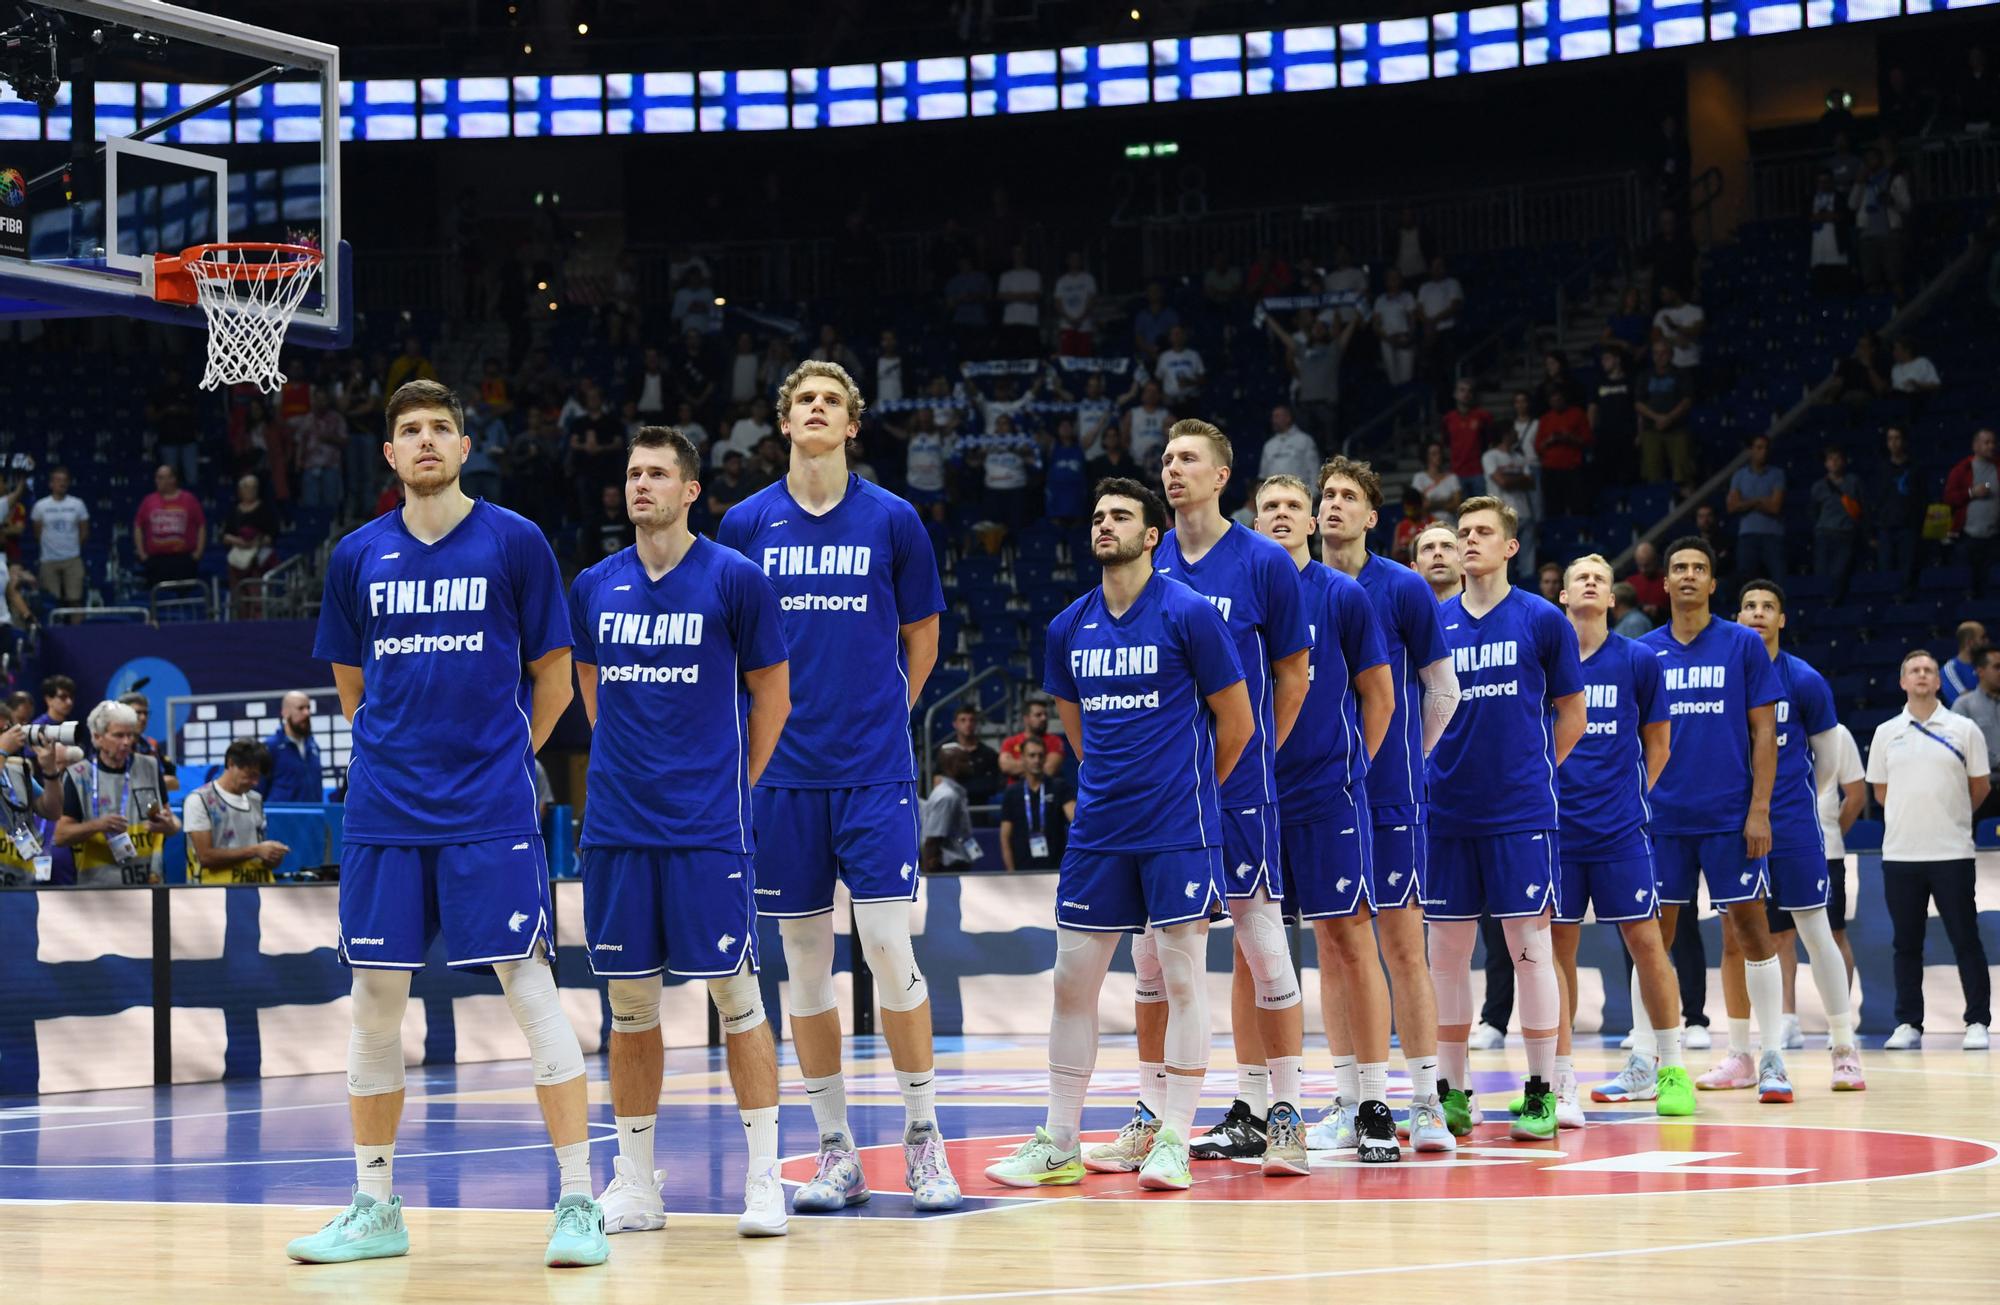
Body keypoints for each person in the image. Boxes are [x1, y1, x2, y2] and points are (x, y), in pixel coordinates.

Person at [290, 379, 606, 1268]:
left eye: (441, 428)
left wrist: (511, 755)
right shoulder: (356, 554)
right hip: (386, 811)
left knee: (530, 991)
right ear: (388, 456)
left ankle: (579, 1202)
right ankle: (374, 1203)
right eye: (408, 431)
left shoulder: (516, 541)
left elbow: (553, 671)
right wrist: (399, 752)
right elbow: (353, 686)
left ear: (466, 447)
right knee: (375, 1004)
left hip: (488, 809)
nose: (425, 440)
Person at [717, 360, 962, 1213]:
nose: (816, 411)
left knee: (892, 949)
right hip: (782, 777)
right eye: (803, 402)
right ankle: (835, 1151)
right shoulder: (746, 524)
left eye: (831, 403)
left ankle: (924, 1137)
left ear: (853, 425)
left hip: (872, 771)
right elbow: (731, 650)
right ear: (783, 421)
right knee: (805, 968)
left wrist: (885, 711)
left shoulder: (892, 519)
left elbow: (923, 635)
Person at [984, 478, 1250, 1192]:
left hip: (1176, 828)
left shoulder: (1189, 613)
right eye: (1098, 515)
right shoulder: (1069, 624)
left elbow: (1239, 722)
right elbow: (1073, 723)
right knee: (1073, 981)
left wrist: (1188, 790)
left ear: (1152, 534)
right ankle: (1061, 1140)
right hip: (1100, 829)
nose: (1104, 524)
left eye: (1121, 515)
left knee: (1185, 980)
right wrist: (1111, 777)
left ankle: (1173, 1139)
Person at [569, 425, 793, 1238]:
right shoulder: (594, 583)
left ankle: (766, 1179)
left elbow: (773, 697)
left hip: (708, 828)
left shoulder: (735, 580)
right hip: (620, 828)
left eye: (658, 473)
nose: (641, 485)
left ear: (691, 489)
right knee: (629, 1008)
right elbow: (592, 692)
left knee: (738, 997)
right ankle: (635, 1182)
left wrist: (734, 784)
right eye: (632, 472)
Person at [1093, 421, 1310, 1169]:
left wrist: (1254, 758)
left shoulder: (1264, 563)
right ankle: (1152, 1114)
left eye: (1187, 458)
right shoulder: (1143, 567)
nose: (1172, 467)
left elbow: (1293, 675)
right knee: (1151, 964)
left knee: (1264, 950)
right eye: (1166, 458)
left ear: (1223, 476)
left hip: (1238, 792)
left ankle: (1286, 1115)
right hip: (1158, 804)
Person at [1423, 496, 1586, 1141]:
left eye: (1483, 532)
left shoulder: (1543, 620)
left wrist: (1533, 766)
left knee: (1529, 951)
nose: (1469, 541)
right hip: (1446, 811)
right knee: (1448, 958)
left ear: (1510, 546)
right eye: (1463, 532)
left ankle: (1542, 1090)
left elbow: (1571, 713)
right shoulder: (1435, 623)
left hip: (1520, 812)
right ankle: (1454, 1091)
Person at [1251, 474, 1400, 1162]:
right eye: (1268, 508)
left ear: (1312, 521)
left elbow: (1381, 696)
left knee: (1348, 939)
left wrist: (1354, 769)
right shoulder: (1242, 590)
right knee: (1257, 951)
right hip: (1253, 794)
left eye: (1291, 506)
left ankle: (1371, 1103)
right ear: (1252, 522)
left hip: (1326, 794)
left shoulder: (1343, 594)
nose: (1280, 515)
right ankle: (1254, 1106)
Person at [1312, 457, 1457, 1149]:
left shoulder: (1402, 587)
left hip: (1389, 796)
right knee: (1335, 949)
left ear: (1374, 516)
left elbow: (1444, 691)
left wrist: (1405, 760)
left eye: (1348, 497)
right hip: (1315, 798)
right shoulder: (1291, 587)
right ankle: (1351, 1100)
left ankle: (1427, 1099)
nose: (1334, 505)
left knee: (1403, 948)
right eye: (1327, 495)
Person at [1638, 538, 1795, 1104]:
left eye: (1698, 569)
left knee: (1753, 932)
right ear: (1665, 581)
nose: (1686, 576)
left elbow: (1764, 734)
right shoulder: (1642, 652)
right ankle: (1645, 1057)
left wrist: (1759, 811)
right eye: (1678, 567)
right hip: (1662, 820)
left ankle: (1768, 1056)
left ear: (1711, 583)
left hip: (1730, 818)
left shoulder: (1742, 646)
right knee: (1652, 939)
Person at [1549, 555, 1694, 1118]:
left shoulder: (1638, 660)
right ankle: (1559, 1080)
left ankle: (1673, 1068)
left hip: (1620, 833)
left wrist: (1630, 797)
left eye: (1600, 579)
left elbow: (1659, 742)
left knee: (1648, 946)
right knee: (1555, 953)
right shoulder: (1546, 660)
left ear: (1612, 599)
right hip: (1556, 832)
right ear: (1563, 597)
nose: (1589, 581)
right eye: (1579, 576)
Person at [1716, 582, 1865, 1089]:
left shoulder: (1804, 680)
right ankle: (1743, 1054)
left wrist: (1788, 799)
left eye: (1768, 607)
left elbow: (1827, 763)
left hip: (1793, 823)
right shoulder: (1724, 677)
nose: (1758, 614)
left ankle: (1844, 1047)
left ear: (1782, 619)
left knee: (1814, 929)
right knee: (1738, 937)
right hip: (1735, 823)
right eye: (1749, 606)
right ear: (1737, 618)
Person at [1868, 650, 1991, 1051]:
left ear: (1938, 682)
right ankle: (1908, 1023)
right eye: (1914, 671)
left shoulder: (1964, 728)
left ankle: (1977, 1021)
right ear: (1903, 682)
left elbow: (1980, 787)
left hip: (1952, 853)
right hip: (1901, 854)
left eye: (1929, 671)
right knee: (1906, 943)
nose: (1922, 676)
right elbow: (1882, 793)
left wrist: (1949, 817)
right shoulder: (1886, 732)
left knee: (1965, 938)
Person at [54, 699, 177, 887]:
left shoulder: (149, 767)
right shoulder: (79, 775)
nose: (127, 742)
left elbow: (173, 824)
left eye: (130, 735)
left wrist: (169, 826)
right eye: (119, 735)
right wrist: (97, 825)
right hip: (99, 892)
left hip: (149, 884)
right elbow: (61, 836)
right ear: (98, 737)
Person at [183, 740, 288, 885]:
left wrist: (271, 857)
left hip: (256, 892)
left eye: (258, 777)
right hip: (212, 895)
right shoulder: (199, 800)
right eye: (251, 775)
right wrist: (255, 850)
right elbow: (205, 857)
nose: (256, 782)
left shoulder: (256, 800)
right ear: (231, 764)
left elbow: (259, 854)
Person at [999, 734, 1071, 871]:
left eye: (1040, 755)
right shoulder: (1012, 792)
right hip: (1023, 870)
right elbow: (1005, 837)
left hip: (1055, 868)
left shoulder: (1058, 787)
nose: (1036, 760)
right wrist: (1011, 872)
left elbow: (1074, 818)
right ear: (1022, 758)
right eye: (1031, 755)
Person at [132, 464, 207, 589]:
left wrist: (198, 553)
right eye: (157, 478)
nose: (158, 481)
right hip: (156, 560)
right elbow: (138, 526)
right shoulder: (148, 501)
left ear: (173, 479)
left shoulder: (189, 499)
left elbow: (201, 526)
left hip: (183, 560)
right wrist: (142, 554)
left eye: (162, 478)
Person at [1945, 429, 1999, 597]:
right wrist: (1971, 493)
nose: (1991, 446)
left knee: (1991, 586)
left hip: (1994, 537)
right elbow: (1948, 498)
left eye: (1993, 442)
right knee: (1968, 586)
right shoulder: (1962, 469)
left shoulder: (1998, 467)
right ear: (1975, 445)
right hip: (1967, 537)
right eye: (1986, 442)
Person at [1636, 341, 1696, 491]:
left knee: (1683, 472)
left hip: (1677, 430)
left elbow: (1687, 400)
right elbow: (1638, 403)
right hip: (1651, 430)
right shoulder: (1644, 376)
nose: (1659, 356)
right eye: (1656, 353)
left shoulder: (1681, 375)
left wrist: (1669, 418)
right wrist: (1657, 417)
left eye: (1663, 352)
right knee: (1652, 472)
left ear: (1671, 354)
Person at [1950, 644, 2000, 822]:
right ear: (1980, 671)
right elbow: (1957, 747)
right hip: (1982, 788)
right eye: (1996, 667)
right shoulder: (1964, 705)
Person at [1727, 435, 1787, 582]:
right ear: (1751, 450)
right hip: (1747, 535)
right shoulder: (1739, 475)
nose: (1763, 452)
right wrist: (1760, 500)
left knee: (1779, 578)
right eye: (1759, 448)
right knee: (1745, 578)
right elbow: (1732, 506)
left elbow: (1775, 507)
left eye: (1766, 448)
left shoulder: (1777, 474)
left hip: (1773, 534)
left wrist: (1746, 503)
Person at [1810, 446, 1865, 604]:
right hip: (1824, 534)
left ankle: (1834, 603)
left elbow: (1863, 508)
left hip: (1845, 533)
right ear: (1826, 463)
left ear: (1844, 461)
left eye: (1837, 458)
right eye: (1830, 459)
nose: (1833, 462)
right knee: (1822, 574)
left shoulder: (1853, 482)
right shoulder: (1818, 486)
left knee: (1839, 573)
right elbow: (1813, 511)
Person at [30, 466, 89, 608]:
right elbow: (37, 534)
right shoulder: (40, 506)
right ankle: (53, 630)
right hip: (48, 560)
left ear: (68, 483)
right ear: (51, 484)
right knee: (51, 602)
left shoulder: (77, 504)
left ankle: (77, 630)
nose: (61, 483)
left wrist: (71, 548)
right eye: (58, 480)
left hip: (72, 559)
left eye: (64, 480)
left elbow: (84, 532)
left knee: (75, 600)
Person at [921, 748, 979, 872]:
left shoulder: (955, 794)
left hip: (956, 865)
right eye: (964, 761)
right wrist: (928, 877)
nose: (970, 764)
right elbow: (932, 840)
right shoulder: (946, 796)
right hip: (946, 869)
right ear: (950, 766)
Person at [262, 691, 324, 804]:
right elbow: (258, 790)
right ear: (285, 713)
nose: (307, 713)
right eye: (300, 708)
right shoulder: (270, 747)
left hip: (313, 818)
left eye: (308, 708)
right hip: (281, 819)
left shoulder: (313, 746)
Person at [938, 703, 1002, 803]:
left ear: (976, 723)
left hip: (981, 805)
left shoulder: (988, 753)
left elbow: (994, 784)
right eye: (963, 720)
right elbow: (937, 780)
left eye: (971, 720)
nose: (968, 724)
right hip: (952, 803)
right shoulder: (946, 753)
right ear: (955, 724)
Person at [1001, 698, 1067, 778]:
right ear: (1026, 719)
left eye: (1045, 715)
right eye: (1038, 715)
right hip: (1015, 788)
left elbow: (1049, 769)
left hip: (1046, 788)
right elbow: (1005, 766)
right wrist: (1037, 767)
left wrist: (1018, 766)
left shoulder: (1055, 741)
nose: (1044, 718)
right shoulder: (1010, 742)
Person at [1258, 406, 1320, 487]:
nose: (1273, 420)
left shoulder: (1304, 440)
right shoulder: (1269, 445)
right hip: (1274, 493)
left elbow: (1314, 470)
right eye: (1273, 417)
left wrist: (1314, 494)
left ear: (1288, 418)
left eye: (1277, 416)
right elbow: (1263, 475)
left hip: (1299, 492)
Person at [1412, 440, 1463, 523]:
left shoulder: (1452, 477)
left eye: (1439, 453)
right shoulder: (1419, 478)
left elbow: (1457, 505)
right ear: (1426, 456)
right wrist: (1446, 502)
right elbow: (1419, 506)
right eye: (1434, 454)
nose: (1438, 456)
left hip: (1449, 524)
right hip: (1428, 525)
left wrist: (1432, 504)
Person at [1942, 620, 1987, 706]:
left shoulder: (1987, 665)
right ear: (1969, 642)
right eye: (1982, 638)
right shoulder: (1950, 669)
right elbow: (1963, 701)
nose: (1987, 642)